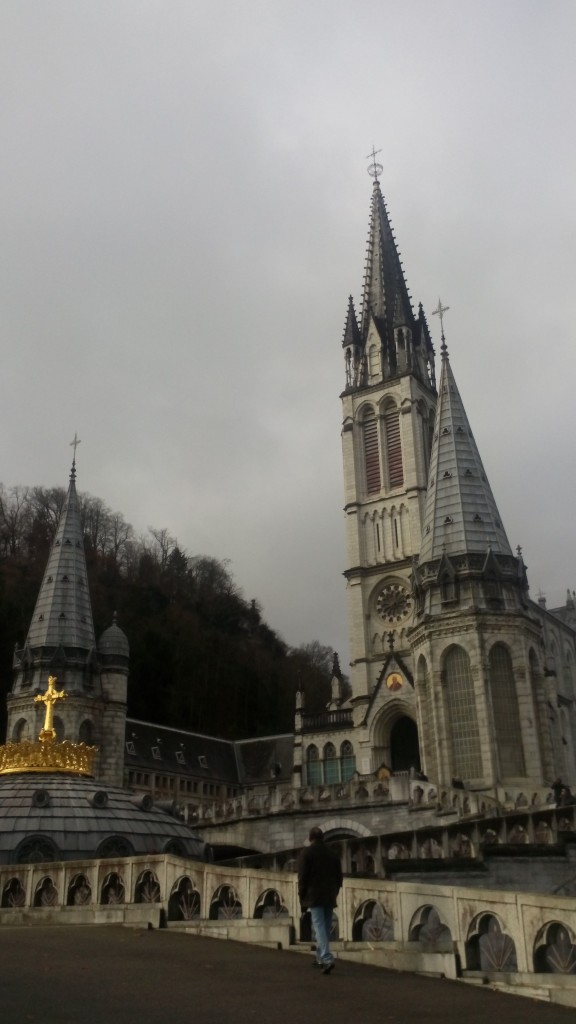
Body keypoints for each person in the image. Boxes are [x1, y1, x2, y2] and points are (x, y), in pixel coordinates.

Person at [297, 826, 343, 974]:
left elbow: (302, 878)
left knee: (319, 926)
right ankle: (319, 958)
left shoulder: (307, 853)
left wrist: (302, 897)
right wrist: (335, 891)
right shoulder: (332, 853)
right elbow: (339, 877)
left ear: (310, 839)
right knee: (325, 926)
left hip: (314, 895)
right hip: (329, 894)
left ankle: (327, 958)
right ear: (322, 838)